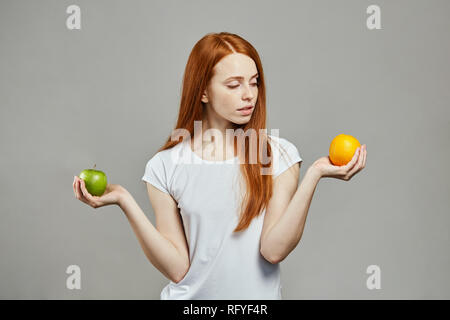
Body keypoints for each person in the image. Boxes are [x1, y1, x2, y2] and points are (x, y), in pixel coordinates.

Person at [72, 32, 367, 299]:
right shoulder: (164, 166)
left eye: (254, 82)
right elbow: (177, 269)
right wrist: (124, 199)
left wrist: (314, 174)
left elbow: (273, 250)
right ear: (203, 92)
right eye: (234, 85)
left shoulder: (278, 154)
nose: (249, 94)